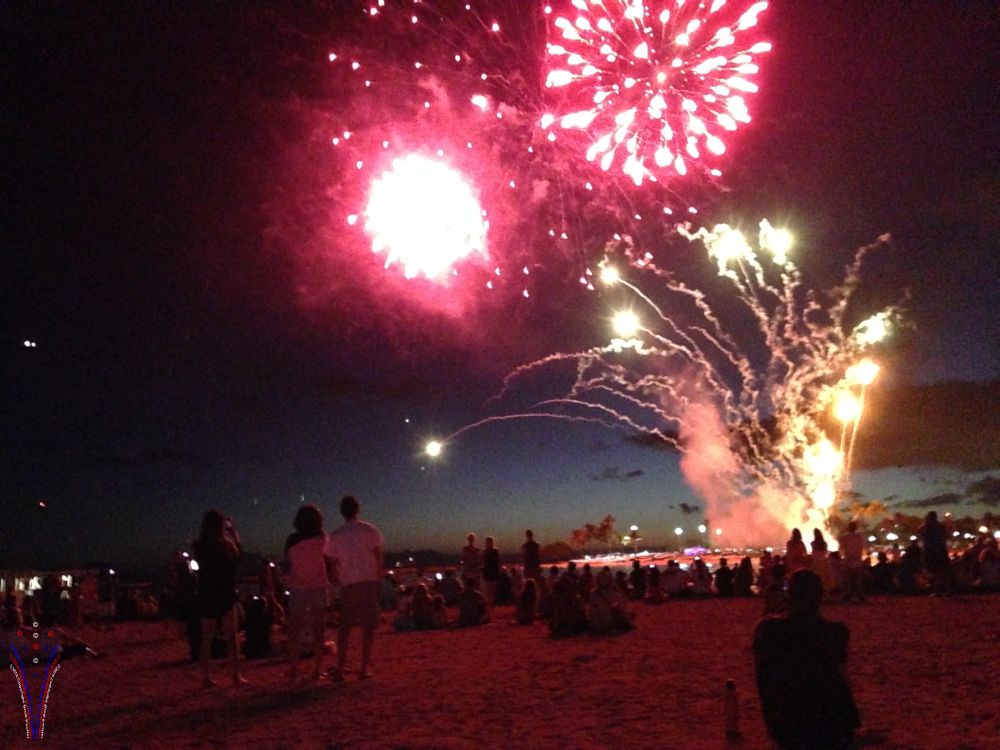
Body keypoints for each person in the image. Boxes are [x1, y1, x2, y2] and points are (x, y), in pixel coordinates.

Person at [753, 570, 861, 749]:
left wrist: (772, 718)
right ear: (820, 596)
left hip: (788, 718)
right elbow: (841, 677)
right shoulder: (837, 633)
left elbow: (763, 679)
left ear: (789, 596)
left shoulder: (768, 630)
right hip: (832, 719)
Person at [324, 495, 384, 681]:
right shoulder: (369, 529)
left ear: (342, 512)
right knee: (368, 626)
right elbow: (378, 557)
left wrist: (335, 579)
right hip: (367, 580)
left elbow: (330, 561)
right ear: (358, 509)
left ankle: (341, 669)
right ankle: (363, 668)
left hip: (348, 582)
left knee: (345, 627)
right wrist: (378, 577)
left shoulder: (335, 535)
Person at [192, 510, 244, 688]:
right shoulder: (226, 545)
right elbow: (237, 559)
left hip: (206, 592)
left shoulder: (198, 546)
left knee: (206, 638)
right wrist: (234, 534)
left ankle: (205, 677)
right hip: (225, 591)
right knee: (231, 636)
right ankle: (235, 676)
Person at [284, 504, 330, 686]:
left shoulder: (291, 540)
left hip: (297, 587)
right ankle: (316, 671)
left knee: (294, 631)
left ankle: (293, 671)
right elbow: (330, 559)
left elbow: (287, 565)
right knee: (319, 631)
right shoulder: (323, 539)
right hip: (318, 586)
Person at [919, 511, 952, 595]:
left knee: (933, 570)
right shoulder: (941, 526)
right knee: (941, 571)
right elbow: (947, 535)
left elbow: (919, 531)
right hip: (941, 550)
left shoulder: (926, 526)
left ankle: (936, 589)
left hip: (931, 551)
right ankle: (944, 589)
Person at [837, 521, 866, 603]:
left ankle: (848, 594)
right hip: (856, 561)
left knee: (848, 579)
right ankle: (859, 595)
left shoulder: (846, 538)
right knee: (857, 580)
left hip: (849, 561)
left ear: (848, 528)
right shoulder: (859, 537)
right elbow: (862, 547)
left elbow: (842, 547)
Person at [481, 536, 500, 606]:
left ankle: (491, 602)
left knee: (491, 589)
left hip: (492, 572)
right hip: (488, 571)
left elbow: (497, 563)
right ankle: (489, 602)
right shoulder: (485, 551)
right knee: (488, 589)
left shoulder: (494, 551)